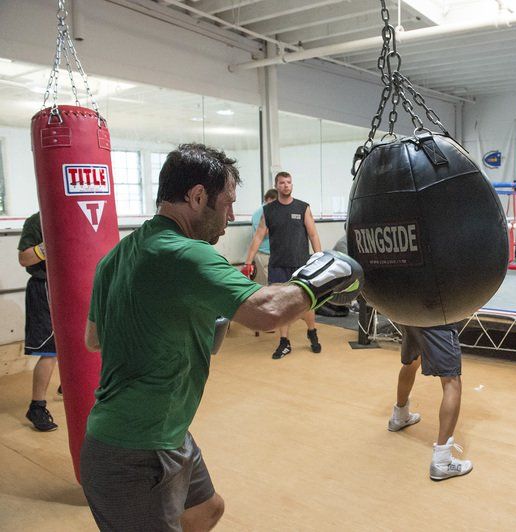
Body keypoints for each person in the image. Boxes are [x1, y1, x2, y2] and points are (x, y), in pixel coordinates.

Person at [80, 143, 361, 531]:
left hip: (169, 433)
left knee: (206, 510)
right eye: (227, 203)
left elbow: (94, 338)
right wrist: (324, 277)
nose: (231, 216)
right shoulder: (186, 253)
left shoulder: (116, 256)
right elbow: (270, 309)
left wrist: (187, 317)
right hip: (133, 450)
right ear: (197, 197)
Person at [243, 171, 323, 359]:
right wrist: (248, 261)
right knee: (280, 305)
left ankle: (312, 331)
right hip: (278, 265)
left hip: (301, 264)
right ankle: (284, 342)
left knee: (306, 303)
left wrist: (319, 257)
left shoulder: (303, 207)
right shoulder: (269, 211)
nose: (286, 185)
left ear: (292, 185)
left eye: (289, 182)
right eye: (282, 183)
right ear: (276, 185)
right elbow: (258, 237)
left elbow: (313, 234)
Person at [387, 324, 473, 481]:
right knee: (451, 380)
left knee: (413, 360)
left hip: (408, 312)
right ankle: (442, 462)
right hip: (435, 313)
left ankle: (399, 417)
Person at [17, 212, 59, 432]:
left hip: (71, 285)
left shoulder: (81, 214)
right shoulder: (37, 221)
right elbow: (24, 258)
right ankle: (37, 406)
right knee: (49, 350)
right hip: (45, 288)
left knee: (83, 339)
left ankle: (71, 385)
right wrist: (47, 245)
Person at [243, 188, 278, 285]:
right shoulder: (259, 213)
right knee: (268, 283)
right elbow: (262, 233)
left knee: (276, 283)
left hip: (275, 253)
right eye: (274, 202)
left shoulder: (274, 211)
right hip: (264, 253)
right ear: (267, 199)